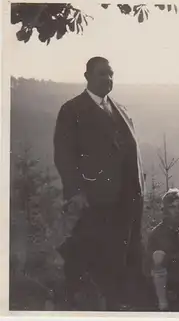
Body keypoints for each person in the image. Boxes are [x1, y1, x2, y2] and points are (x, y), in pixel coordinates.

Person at [53, 56, 145, 310]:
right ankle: (81, 305)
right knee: (88, 255)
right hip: (93, 200)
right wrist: (76, 192)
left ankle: (117, 305)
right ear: (87, 77)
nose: (108, 79)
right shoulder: (72, 110)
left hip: (125, 201)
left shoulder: (121, 110)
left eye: (111, 74)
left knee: (120, 256)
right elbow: (64, 154)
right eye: (102, 74)